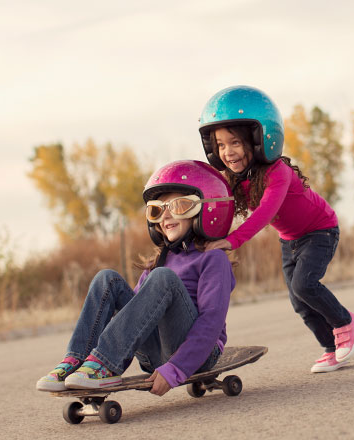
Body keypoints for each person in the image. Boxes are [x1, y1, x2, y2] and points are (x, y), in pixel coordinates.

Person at [36, 160, 236, 395]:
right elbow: (136, 318)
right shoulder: (161, 261)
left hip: (200, 355)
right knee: (106, 278)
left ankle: (104, 363)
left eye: (179, 206)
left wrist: (176, 369)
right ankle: (77, 361)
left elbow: (211, 323)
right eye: (157, 209)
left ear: (205, 208)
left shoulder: (213, 259)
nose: (166, 215)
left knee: (163, 278)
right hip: (154, 356)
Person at [198, 85, 354, 373]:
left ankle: (344, 321)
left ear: (259, 140)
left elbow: (264, 213)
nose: (227, 152)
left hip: (321, 230)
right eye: (220, 145)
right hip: (291, 240)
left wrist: (232, 241)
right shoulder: (236, 179)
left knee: (304, 285)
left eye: (234, 143)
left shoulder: (278, 173)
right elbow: (218, 209)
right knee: (299, 301)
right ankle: (330, 349)